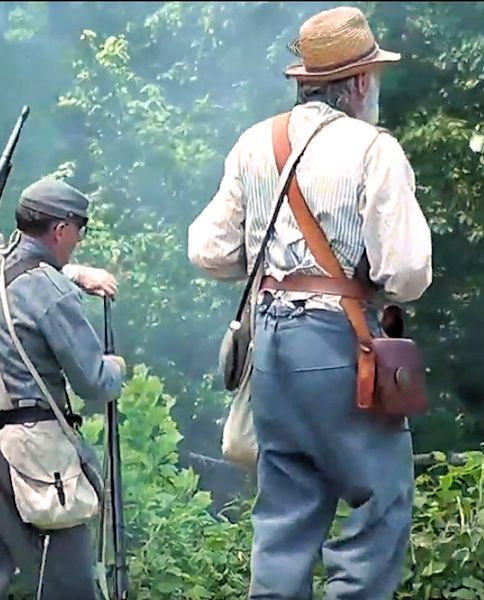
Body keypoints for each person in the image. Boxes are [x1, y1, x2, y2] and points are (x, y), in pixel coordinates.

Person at [188, 6, 432, 599]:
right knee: (383, 498)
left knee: (285, 514)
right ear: (359, 82)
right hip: (339, 346)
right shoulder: (374, 149)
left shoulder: (256, 142)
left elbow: (208, 250)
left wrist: (276, 267)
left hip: (269, 351)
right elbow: (405, 272)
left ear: (305, 80)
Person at [0, 177, 126, 599]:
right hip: (38, 458)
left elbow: (21, 268)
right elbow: (93, 383)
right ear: (60, 230)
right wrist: (115, 368)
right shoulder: (51, 290)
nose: (78, 239)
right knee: (71, 584)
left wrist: (75, 273)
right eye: (78, 229)